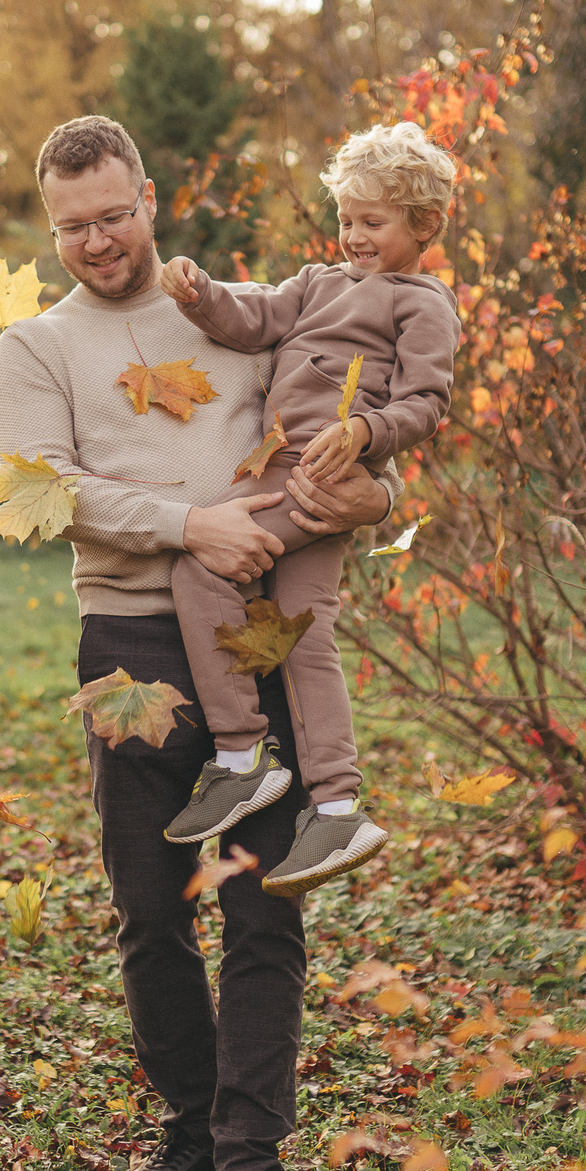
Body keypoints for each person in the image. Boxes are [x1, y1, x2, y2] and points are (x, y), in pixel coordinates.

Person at [0, 115, 398, 1171]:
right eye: (73, 227)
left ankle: (255, 1161)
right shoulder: (34, 348)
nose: (97, 241)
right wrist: (188, 526)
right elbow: (44, 488)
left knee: (262, 908)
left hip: (256, 637)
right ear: (51, 227)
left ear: (149, 196)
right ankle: (188, 1132)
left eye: (114, 215)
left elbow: (342, 442)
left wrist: (377, 496)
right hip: (125, 645)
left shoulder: (243, 310)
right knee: (149, 910)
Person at [156, 122, 458, 894]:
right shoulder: (316, 283)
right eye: (347, 219)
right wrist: (200, 294)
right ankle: (336, 805)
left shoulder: (423, 304)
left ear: (425, 225)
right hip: (283, 470)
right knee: (302, 639)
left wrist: (365, 431)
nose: (353, 235)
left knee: (199, 571)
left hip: (316, 480)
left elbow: (426, 403)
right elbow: (250, 320)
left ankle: (239, 756)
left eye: (374, 222)